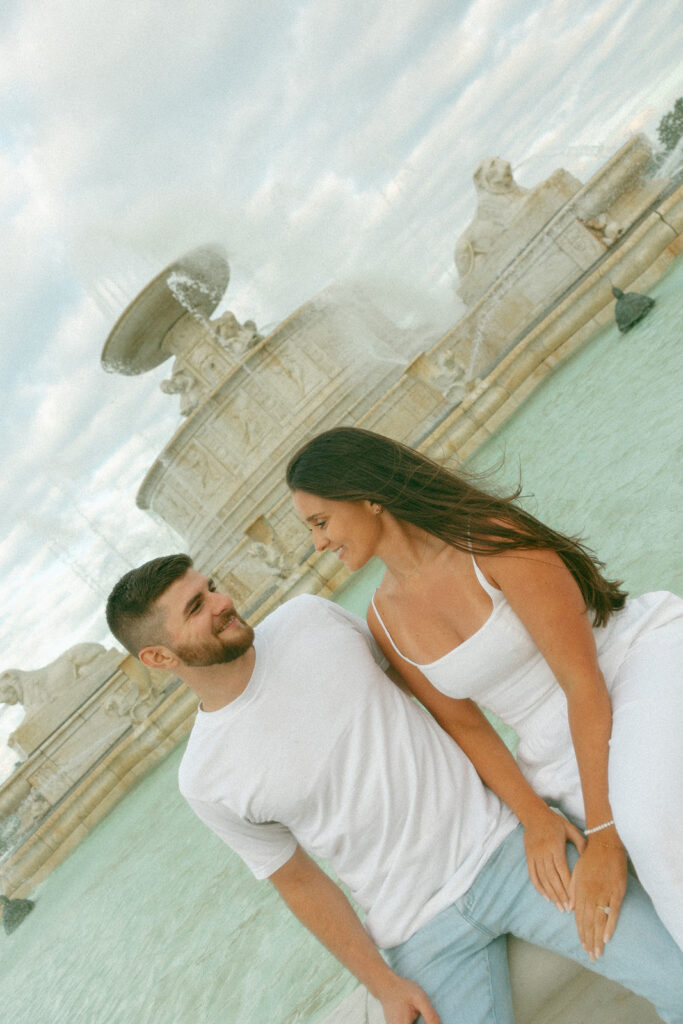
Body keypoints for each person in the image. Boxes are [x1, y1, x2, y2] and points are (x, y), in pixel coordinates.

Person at [105, 554, 683, 1024]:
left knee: (677, 978)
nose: (223, 601)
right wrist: (382, 985)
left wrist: (533, 814)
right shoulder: (203, 779)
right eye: (197, 606)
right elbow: (299, 882)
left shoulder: (309, 620)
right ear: (159, 656)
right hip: (418, 934)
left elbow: (445, 701)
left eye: (211, 587)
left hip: (508, 853)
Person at [286, 426, 683, 956]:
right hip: (553, 748)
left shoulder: (490, 538)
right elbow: (470, 730)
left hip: (627, 669)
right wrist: (536, 819)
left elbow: (581, 680)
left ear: (369, 497)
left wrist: (608, 833)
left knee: (646, 830)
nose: (319, 543)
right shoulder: (383, 619)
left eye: (320, 521)